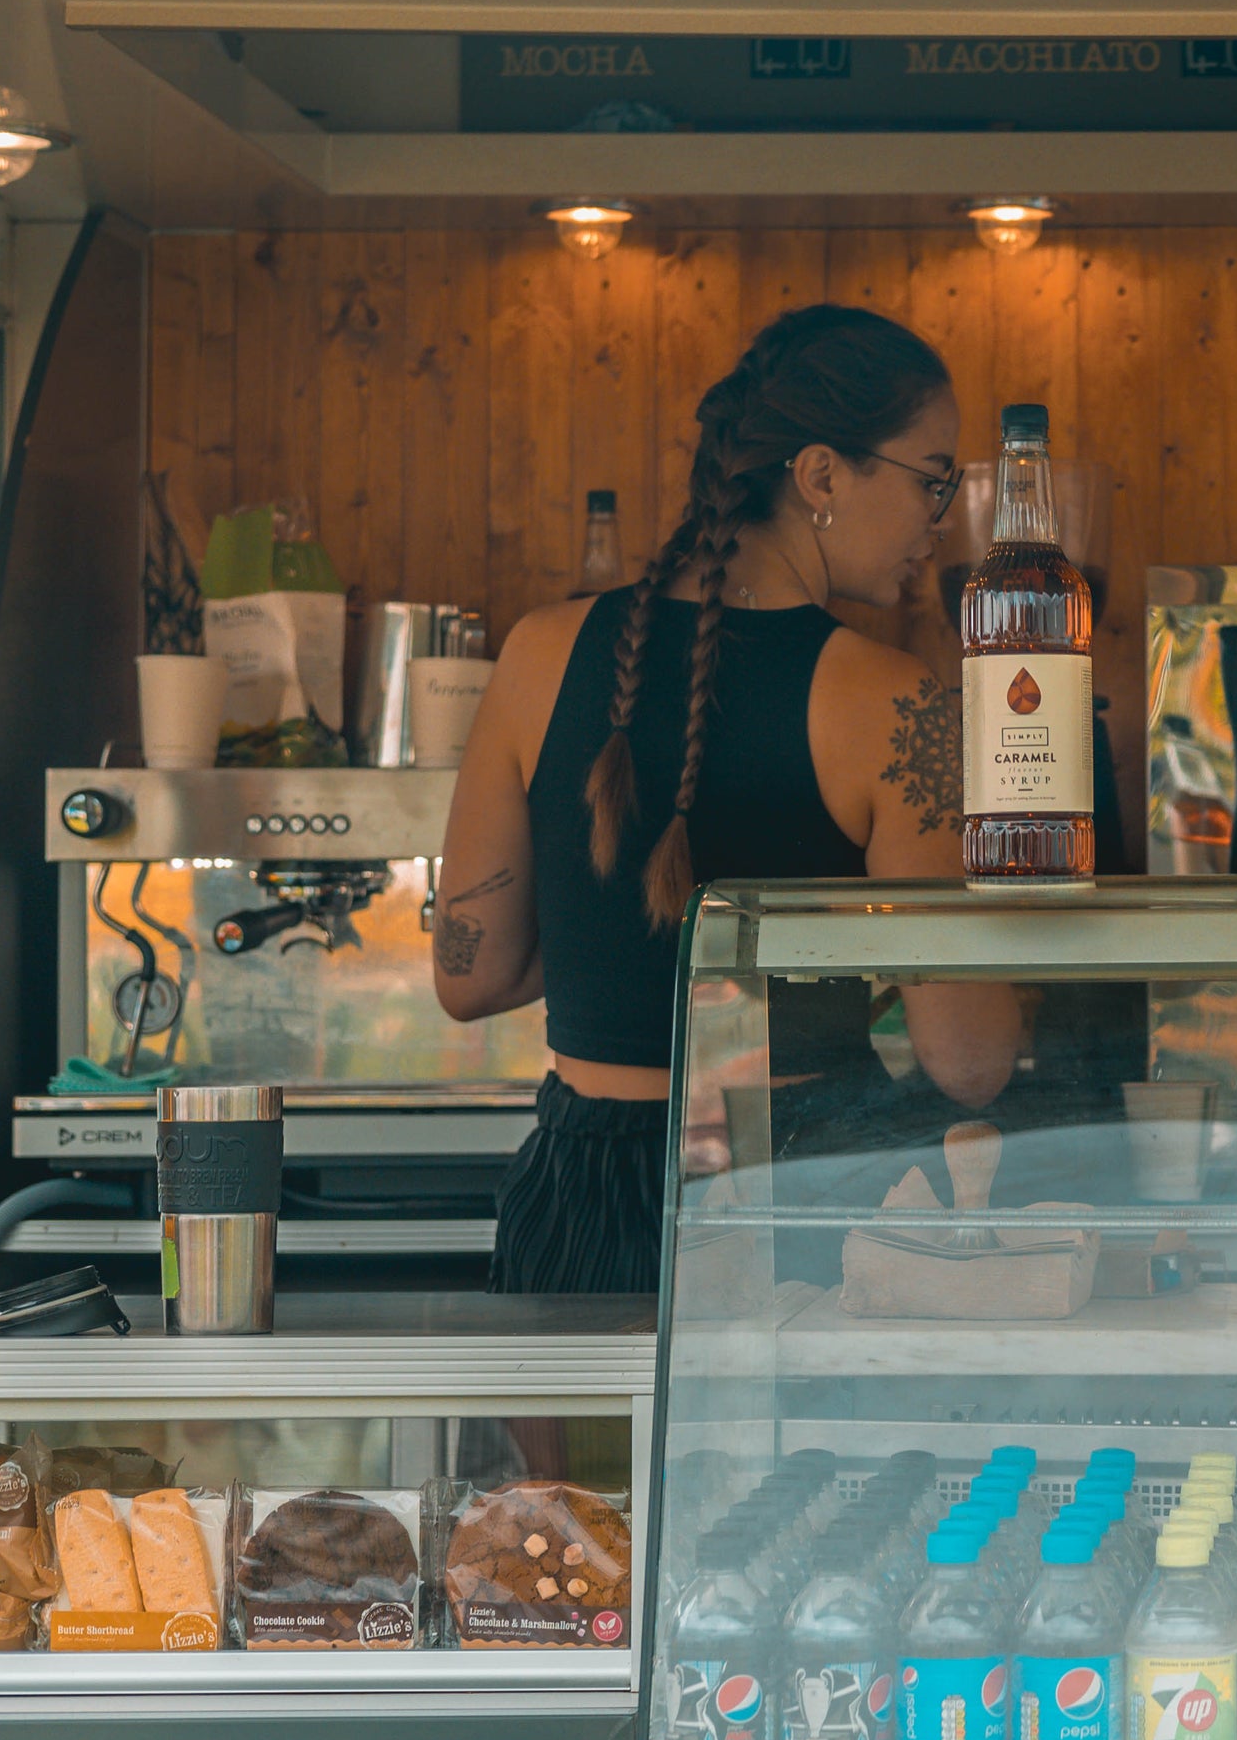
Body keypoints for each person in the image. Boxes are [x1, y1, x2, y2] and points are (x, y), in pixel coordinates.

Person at [432, 305, 1020, 1295]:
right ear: (822, 474)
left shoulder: (539, 651)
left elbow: (471, 978)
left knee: (582, 1460)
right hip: (799, 1201)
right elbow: (969, 1062)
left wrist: (611, 936)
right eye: (933, 478)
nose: (940, 517)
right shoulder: (893, 702)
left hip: (579, 1194)